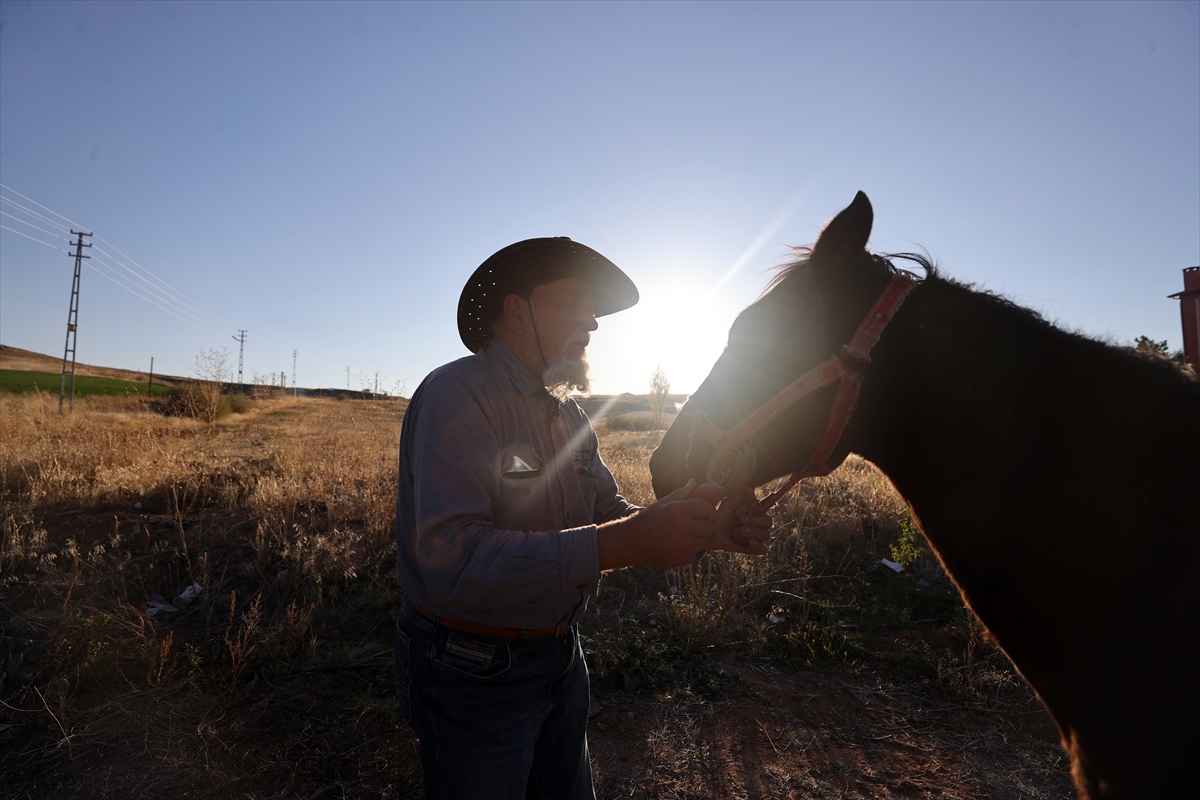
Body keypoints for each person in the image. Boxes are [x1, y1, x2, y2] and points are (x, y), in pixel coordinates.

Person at [394, 237, 773, 799]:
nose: (592, 321)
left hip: (561, 656)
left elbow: (613, 518)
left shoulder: (569, 414)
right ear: (516, 312)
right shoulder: (458, 396)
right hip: (471, 668)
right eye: (572, 301)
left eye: (591, 307)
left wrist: (706, 528)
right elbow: (457, 560)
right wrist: (626, 542)